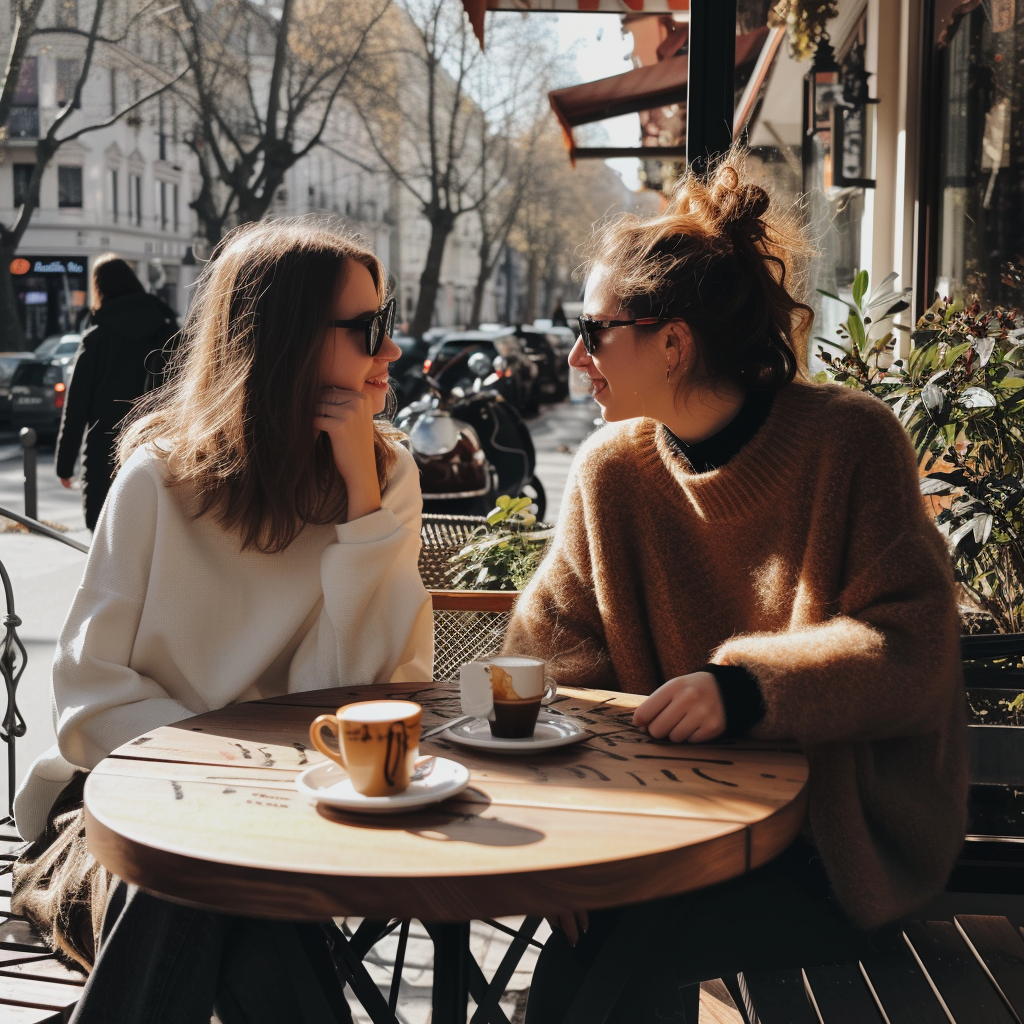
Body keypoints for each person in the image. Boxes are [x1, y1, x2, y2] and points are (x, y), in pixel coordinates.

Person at [504, 158, 967, 1023]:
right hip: (660, 829)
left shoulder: (847, 443)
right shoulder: (612, 471)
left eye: (594, 330)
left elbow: (914, 648)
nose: (575, 356)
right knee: (604, 946)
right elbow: (545, 654)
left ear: (673, 341)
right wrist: (570, 835)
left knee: (606, 960)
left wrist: (747, 689)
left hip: (834, 845)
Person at [12, 219, 433, 1023]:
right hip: (120, 816)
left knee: (214, 878)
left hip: (296, 822)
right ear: (286, 341)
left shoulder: (382, 480)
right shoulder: (159, 481)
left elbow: (387, 694)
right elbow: (89, 701)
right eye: (370, 329)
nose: (394, 353)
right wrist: (235, 779)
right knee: (208, 875)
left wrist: (361, 508)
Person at [55, 254, 178, 530]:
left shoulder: (96, 338)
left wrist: (65, 465)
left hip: (105, 452)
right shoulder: (167, 331)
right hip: (158, 446)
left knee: (104, 535)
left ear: (100, 289)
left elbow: (77, 406)